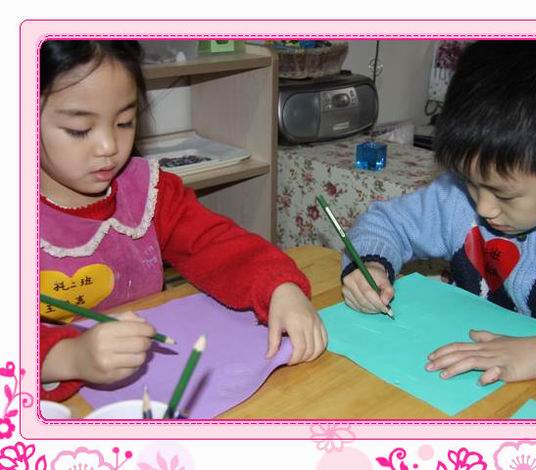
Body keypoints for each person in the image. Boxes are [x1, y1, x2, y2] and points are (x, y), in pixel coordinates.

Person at [38, 40, 326, 402]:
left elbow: (216, 244)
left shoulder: (149, 192)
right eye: (79, 129)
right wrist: (66, 357)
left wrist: (279, 287)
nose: (109, 146)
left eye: (125, 122)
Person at [342, 40, 536, 395]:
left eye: (504, 194)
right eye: (471, 182)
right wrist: (371, 265)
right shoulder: (456, 198)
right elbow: (388, 223)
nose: (483, 208)